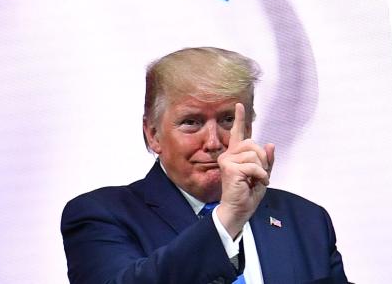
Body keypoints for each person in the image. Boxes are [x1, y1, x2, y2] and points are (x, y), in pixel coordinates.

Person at [60, 47, 347, 284]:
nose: (213, 142)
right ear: (153, 134)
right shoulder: (101, 215)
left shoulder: (305, 219)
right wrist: (228, 219)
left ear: (247, 127)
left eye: (227, 120)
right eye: (191, 122)